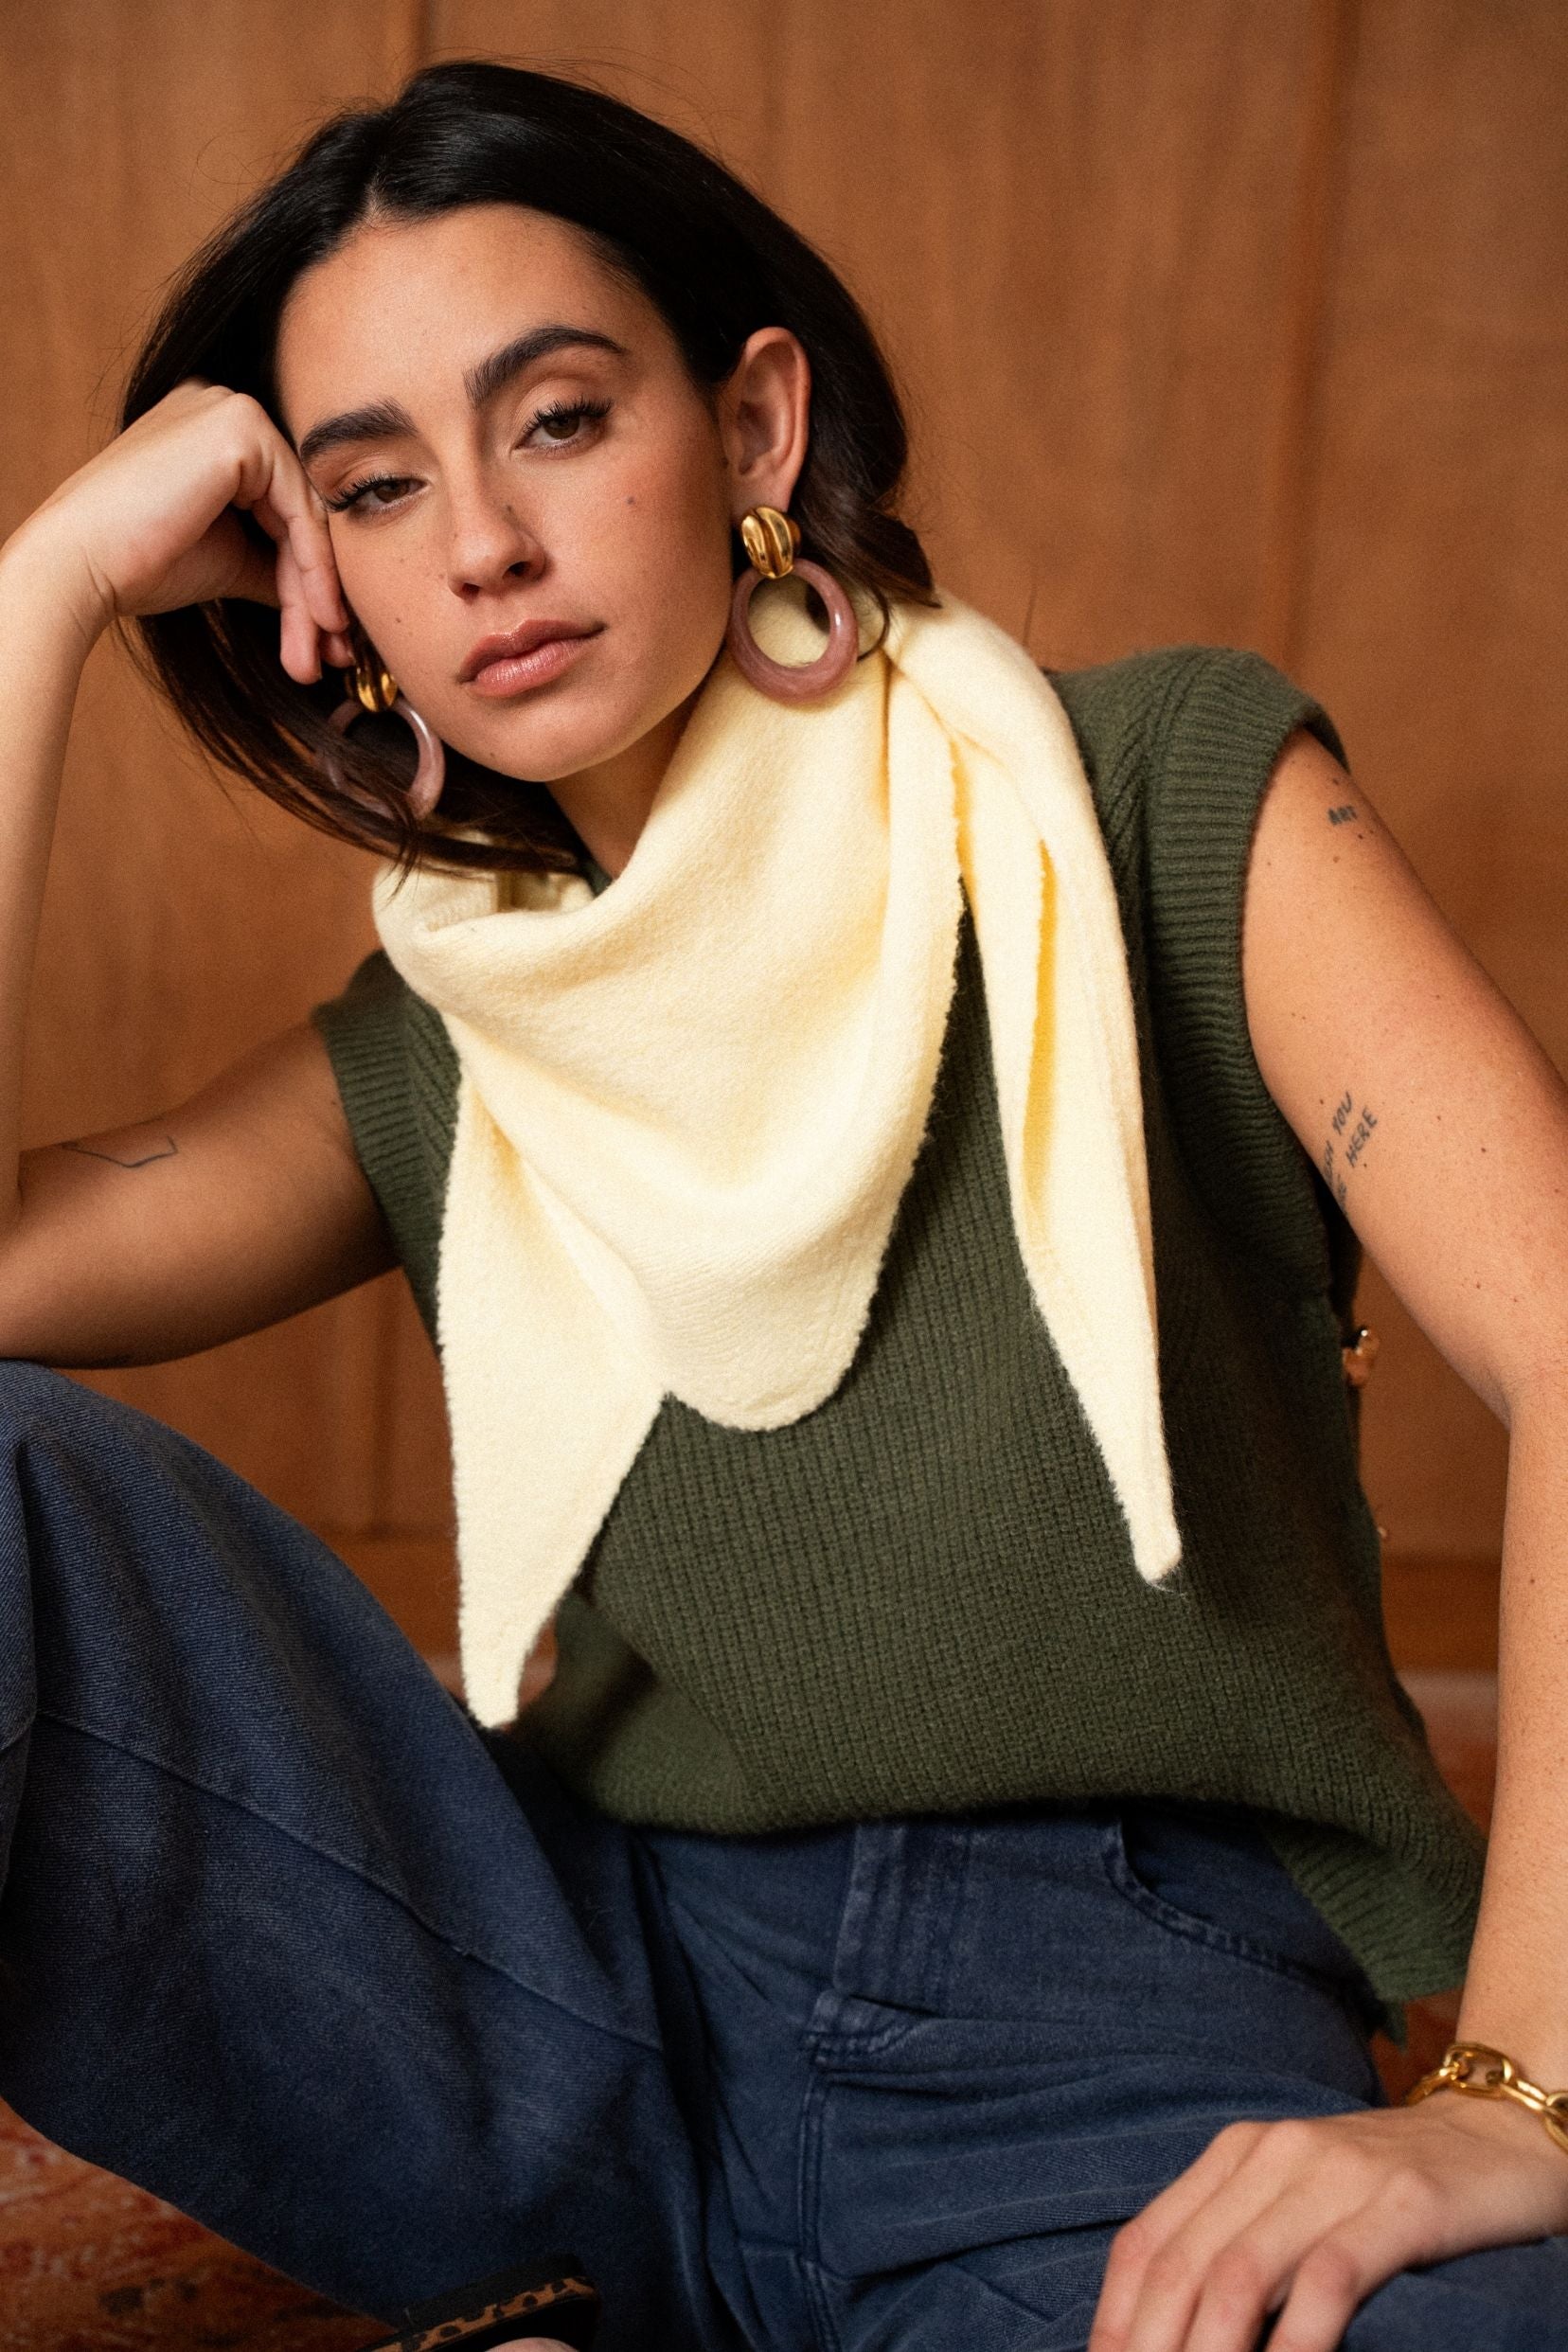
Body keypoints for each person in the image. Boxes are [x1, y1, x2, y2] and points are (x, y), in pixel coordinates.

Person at [0, 54, 1564, 2352]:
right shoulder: (445, 1037)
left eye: (555, 421)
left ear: (750, 427)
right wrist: (45, 589)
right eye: (375, 486)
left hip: (1097, 2069)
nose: (481, 546)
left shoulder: (1158, 799)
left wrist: (1522, 2095)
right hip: (560, 2016)